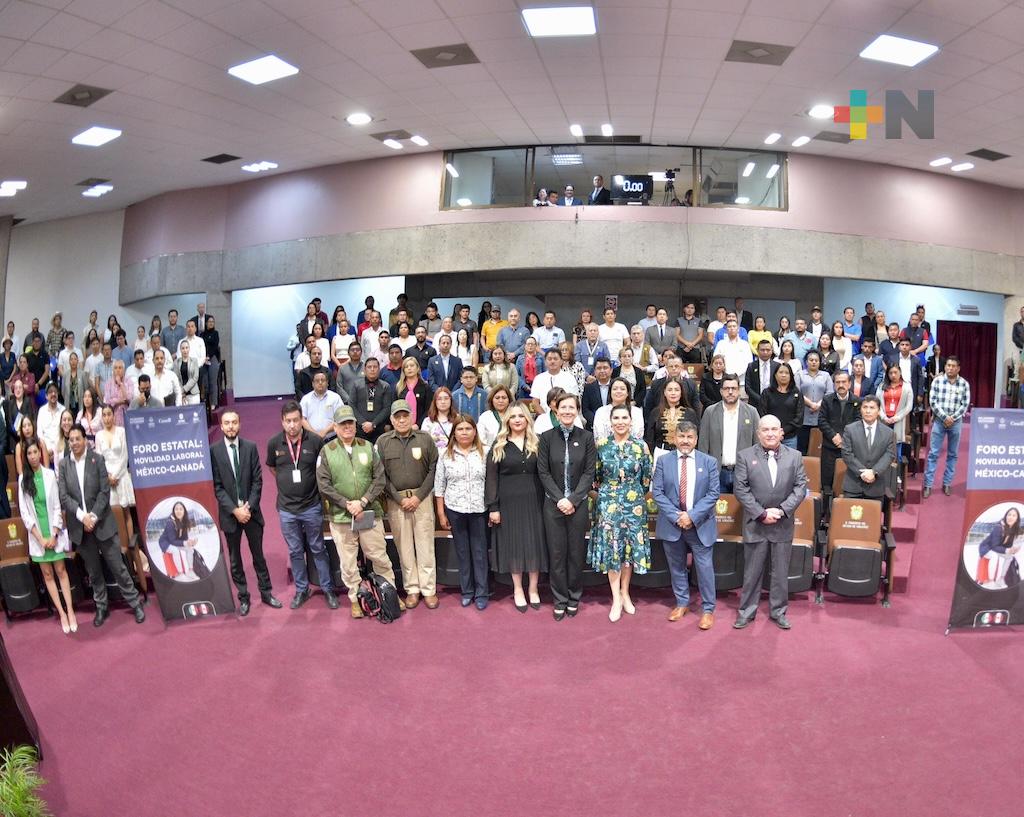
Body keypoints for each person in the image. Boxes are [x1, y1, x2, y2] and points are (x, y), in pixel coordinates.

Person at [315, 405, 399, 619]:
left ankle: (390, 594)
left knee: (379, 556)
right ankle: (355, 598)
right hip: (342, 517)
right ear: (335, 427)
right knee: (348, 562)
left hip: (369, 512)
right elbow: (324, 485)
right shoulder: (327, 451)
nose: (347, 427)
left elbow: (379, 478)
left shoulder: (368, 447)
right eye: (342, 424)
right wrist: (347, 504)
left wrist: (363, 501)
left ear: (355, 425)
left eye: (350, 423)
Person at [58, 423, 145, 626]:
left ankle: (135, 603)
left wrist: (93, 516)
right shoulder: (63, 465)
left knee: (118, 568)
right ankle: (101, 607)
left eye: (77, 439)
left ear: (85, 440)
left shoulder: (97, 459)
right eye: (71, 440)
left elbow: (104, 492)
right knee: (94, 572)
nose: (74, 443)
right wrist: (83, 517)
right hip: (81, 528)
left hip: (103, 524)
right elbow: (64, 496)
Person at [732, 415, 809, 630]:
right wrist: (761, 513)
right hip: (755, 524)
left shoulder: (795, 456)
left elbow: (800, 487)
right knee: (752, 572)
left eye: (774, 429)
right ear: (758, 433)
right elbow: (740, 489)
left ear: (781, 432)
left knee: (780, 573)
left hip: (782, 523)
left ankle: (779, 612)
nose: (770, 433)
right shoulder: (745, 456)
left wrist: (782, 511)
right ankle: (746, 612)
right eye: (765, 430)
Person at [265, 401, 338, 610]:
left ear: (301, 420)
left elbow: (323, 470)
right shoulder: (274, 443)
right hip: (287, 509)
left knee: (318, 548)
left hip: (311, 506)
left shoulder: (315, 441)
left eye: (296, 420)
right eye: (288, 421)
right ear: (282, 422)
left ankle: (327, 588)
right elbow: (273, 469)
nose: (292, 425)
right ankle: (301, 589)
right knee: (295, 551)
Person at [210, 410, 280, 615]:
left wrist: (247, 508)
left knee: (258, 556)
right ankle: (243, 597)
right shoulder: (214, 451)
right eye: (227, 423)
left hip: (251, 513)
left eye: (234, 422)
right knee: (235, 560)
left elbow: (258, 480)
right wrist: (235, 510)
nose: (231, 426)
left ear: (239, 424)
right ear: (221, 426)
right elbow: (217, 487)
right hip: (230, 515)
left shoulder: (250, 447)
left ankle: (266, 593)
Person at [653, 419, 720, 628]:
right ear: (674, 438)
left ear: (696, 439)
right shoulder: (663, 461)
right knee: (677, 567)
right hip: (672, 525)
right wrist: (677, 517)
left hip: (700, 524)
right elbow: (657, 493)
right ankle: (682, 603)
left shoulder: (709, 462)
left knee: (705, 568)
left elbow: (713, 494)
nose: (685, 441)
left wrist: (691, 516)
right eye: (681, 436)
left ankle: (708, 609)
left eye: (689, 437)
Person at [537, 392, 596, 621]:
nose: (567, 411)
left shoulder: (587, 437)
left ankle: (574, 596)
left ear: (577, 410)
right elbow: (543, 472)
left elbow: (589, 472)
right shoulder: (546, 437)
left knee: (575, 553)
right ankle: (560, 599)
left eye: (572, 407)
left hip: (578, 505)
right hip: (553, 505)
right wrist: (560, 498)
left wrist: (573, 500)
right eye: (563, 407)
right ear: (556, 410)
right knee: (557, 554)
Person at [590, 406, 652, 622]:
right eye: (616, 418)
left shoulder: (641, 446)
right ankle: (615, 598)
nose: (620, 421)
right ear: (610, 422)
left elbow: (646, 478)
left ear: (631, 421)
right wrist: (609, 494)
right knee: (613, 549)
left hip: (634, 504)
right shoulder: (601, 445)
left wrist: (632, 494)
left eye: (624, 417)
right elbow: (596, 476)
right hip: (608, 503)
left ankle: (625, 593)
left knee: (629, 549)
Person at [377, 399, 439, 609]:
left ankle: (429, 590)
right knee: (404, 548)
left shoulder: (425, 438)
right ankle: (412, 589)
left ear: (412, 417)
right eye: (398, 417)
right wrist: (399, 498)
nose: (402, 420)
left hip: (422, 499)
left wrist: (418, 496)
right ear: (392, 420)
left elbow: (433, 468)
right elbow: (381, 474)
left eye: (405, 416)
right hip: (397, 502)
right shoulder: (383, 442)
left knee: (425, 546)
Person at [486, 402, 546, 610]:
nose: (517, 420)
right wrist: (493, 507)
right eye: (513, 416)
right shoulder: (499, 444)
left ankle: (533, 589)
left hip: (535, 500)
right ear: (507, 420)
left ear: (527, 419)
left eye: (521, 416)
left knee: (534, 543)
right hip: (508, 502)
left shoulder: (538, 442)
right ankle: (518, 589)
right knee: (514, 545)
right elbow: (491, 478)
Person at [19, 439, 77, 633]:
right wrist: (40, 538)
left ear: (40, 453)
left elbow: (57, 507)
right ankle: (61, 613)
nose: (33, 456)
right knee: (47, 574)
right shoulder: (23, 480)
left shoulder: (50, 474)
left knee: (61, 570)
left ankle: (70, 611)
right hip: (38, 537)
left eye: (35, 452)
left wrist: (54, 534)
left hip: (54, 533)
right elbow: (25, 514)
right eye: (29, 453)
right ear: (26, 457)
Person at [434, 414, 489, 609]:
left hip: (479, 509)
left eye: (468, 428)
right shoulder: (445, 455)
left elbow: (492, 482)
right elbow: (439, 486)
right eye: (460, 429)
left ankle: (482, 592)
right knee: (463, 552)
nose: (464, 432)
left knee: (480, 553)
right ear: (454, 433)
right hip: (455, 509)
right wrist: (441, 513)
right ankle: (467, 591)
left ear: (474, 431)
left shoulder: (485, 452)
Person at [698, 374, 759, 494]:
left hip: (743, 473)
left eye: (734, 388)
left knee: (741, 506)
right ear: (721, 391)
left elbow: (757, 444)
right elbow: (703, 446)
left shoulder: (752, 412)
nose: (730, 392)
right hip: (717, 473)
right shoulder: (710, 412)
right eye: (726, 388)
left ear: (739, 391)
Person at [924, 356, 970, 499]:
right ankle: (928, 485)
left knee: (953, 454)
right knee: (933, 453)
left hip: (956, 423)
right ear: (945, 367)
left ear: (958, 368)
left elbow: (965, 405)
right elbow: (933, 401)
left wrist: (952, 418)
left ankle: (947, 483)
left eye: (953, 366)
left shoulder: (964, 384)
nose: (950, 368)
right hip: (939, 421)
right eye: (948, 365)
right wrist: (945, 417)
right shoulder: (937, 381)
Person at [841, 395, 896, 507]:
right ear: (860, 410)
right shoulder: (850, 429)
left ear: (878, 411)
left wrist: (874, 472)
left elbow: (889, 454)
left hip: (876, 487)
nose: (868, 411)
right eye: (865, 407)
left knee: (871, 517)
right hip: (853, 486)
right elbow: (847, 454)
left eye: (872, 408)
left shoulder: (889, 433)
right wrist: (862, 473)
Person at [818, 371, 861, 499]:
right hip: (829, 446)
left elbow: (858, 421)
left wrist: (843, 437)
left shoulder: (857, 401)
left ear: (849, 384)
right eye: (838, 382)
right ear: (834, 384)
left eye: (844, 382)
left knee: (846, 479)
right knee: (827, 481)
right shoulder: (827, 399)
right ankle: (826, 509)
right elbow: (821, 421)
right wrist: (833, 436)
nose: (841, 385)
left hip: (849, 447)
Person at [645, 376, 699, 461]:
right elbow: (650, 438)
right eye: (670, 390)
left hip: (684, 453)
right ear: (664, 392)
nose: (673, 393)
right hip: (661, 453)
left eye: (676, 390)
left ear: (681, 393)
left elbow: (695, 436)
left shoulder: (690, 413)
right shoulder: (656, 412)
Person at [797, 350, 834, 454]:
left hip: (821, 415)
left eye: (816, 360)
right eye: (811, 360)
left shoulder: (826, 375)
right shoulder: (800, 374)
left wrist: (818, 404)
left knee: (818, 448)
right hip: (804, 416)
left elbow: (830, 392)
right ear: (806, 362)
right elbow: (796, 392)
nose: (813, 362)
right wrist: (810, 404)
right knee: (802, 448)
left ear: (820, 362)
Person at [975, 507, 1022, 587]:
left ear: (1017, 519)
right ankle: (991, 579)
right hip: (987, 548)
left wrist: (1012, 550)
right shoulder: (999, 527)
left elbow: (1007, 546)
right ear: (1006, 516)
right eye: (1009, 515)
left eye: (1014, 515)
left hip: (996, 548)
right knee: (995, 557)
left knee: (1009, 557)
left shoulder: (1013, 530)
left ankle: (1001, 578)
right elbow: (994, 546)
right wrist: (1007, 550)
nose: (1011, 517)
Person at [759, 363, 802, 448]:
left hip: (790, 438)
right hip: (769, 436)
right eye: (781, 372)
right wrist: (774, 431)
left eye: (787, 373)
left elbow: (799, 417)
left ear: (791, 376)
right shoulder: (767, 393)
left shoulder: (796, 393)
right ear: (775, 375)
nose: (783, 375)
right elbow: (762, 413)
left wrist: (782, 432)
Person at [352, 358, 393, 443]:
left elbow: (387, 408)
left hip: (379, 429)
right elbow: (352, 405)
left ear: (379, 369)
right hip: (360, 429)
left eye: (375, 367)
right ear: (365, 369)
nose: (372, 369)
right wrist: (363, 423)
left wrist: (373, 424)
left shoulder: (385, 386)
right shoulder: (356, 385)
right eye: (369, 367)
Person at [530, 348, 579, 414]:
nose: (552, 361)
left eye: (555, 359)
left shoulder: (570, 378)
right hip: (544, 416)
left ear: (561, 361)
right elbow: (535, 402)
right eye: (549, 359)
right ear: (545, 362)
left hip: (566, 416)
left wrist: (564, 416)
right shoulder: (538, 379)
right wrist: (546, 417)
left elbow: (574, 400)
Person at [300, 372, 342, 437]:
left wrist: (325, 431)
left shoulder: (335, 398)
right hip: (311, 438)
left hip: (332, 438)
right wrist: (314, 434)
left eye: (323, 380)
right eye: (317, 381)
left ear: (327, 383)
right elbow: (302, 419)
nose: (320, 383)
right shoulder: (305, 399)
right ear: (313, 384)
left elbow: (340, 418)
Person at [745, 340, 779, 415]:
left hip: (773, 404)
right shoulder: (751, 366)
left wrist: (770, 399)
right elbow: (747, 387)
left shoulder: (777, 366)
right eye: (762, 350)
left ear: (772, 351)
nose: (765, 352)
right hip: (755, 404)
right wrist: (761, 399)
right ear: (757, 351)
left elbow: (779, 385)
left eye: (768, 350)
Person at [581, 357, 614, 428]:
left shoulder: (617, 386)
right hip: (594, 425)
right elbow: (585, 410)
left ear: (611, 370)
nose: (602, 371)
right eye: (599, 368)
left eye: (605, 368)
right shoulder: (588, 388)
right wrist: (598, 421)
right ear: (595, 371)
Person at [478, 385, 512, 451]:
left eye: (504, 398)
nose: (500, 401)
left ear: (509, 400)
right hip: (489, 452)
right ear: (492, 400)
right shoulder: (485, 417)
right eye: (497, 398)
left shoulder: (514, 415)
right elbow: (481, 441)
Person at [421, 386, 454, 453]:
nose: (443, 402)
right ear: (435, 402)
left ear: (451, 400)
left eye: (446, 398)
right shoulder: (427, 421)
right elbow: (423, 443)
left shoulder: (458, 419)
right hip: (433, 456)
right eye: (439, 399)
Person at [36, 383, 65, 458]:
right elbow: (39, 433)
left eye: (55, 391)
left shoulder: (63, 410)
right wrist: (46, 449)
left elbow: (65, 432)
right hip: (45, 450)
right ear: (46, 396)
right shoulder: (42, 411)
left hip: (60, 450)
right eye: (50, 392)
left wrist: (56, 450)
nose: (53, 394)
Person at [201, 315, 221, 410]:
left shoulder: (215, 333)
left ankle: (213, 402)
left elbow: (215, 346)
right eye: (209, 321)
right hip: (203, 359)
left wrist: (209, 356)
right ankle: (206, 402)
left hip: (212, 358)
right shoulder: (202, 334)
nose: (211, 323)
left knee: (213, 381)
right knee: (205, 382)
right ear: (206, 323)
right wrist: (204, 357)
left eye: (212, 322)